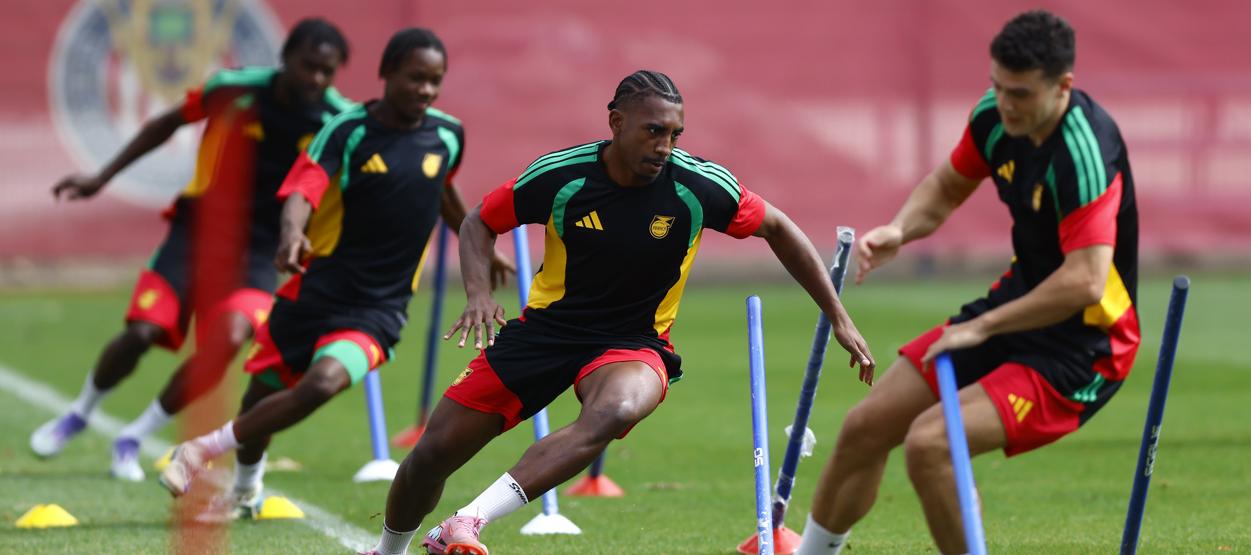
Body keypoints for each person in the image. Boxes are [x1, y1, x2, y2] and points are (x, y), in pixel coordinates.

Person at [362, 69, 877, 555]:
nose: (665, 146)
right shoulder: (561, 176)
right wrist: (478, 293)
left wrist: (838, 315)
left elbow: (779, 228)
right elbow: (479, 222)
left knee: (616, 411)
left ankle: (469, 520)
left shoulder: (698, 186)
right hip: (547, 331)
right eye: (654, 131)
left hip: (635, 343)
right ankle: (389, 549)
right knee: (434, 452)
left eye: (675, 133)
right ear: (617, 123)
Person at [798, 10, 1140, 555]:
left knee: (930, 445)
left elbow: (1085, 282)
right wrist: (900, 230)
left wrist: (981, 327)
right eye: (997, 87)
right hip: (1018, 306)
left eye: (1021, 94)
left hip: (1086, 345)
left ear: (1063, 87)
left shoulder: (1083, 151)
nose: (1005, 104)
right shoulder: (995, 117)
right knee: (866, 427)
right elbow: (947, 185)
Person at [156, 27, 512, 518]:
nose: (426, 91)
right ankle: (244, 489)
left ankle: (198, 450)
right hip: (315, 292)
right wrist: (291, 234)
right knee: (261, 397)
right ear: (386, 73)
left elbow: (442, 192)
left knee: (322, 384)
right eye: (415, 78)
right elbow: (304, 189)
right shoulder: (347, 130)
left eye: (435, 81)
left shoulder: (447, 134)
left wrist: (475, 241)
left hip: (379, 309)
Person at [31, 18, 353, 482]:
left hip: (261, 252)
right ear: (286, 58)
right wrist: (101, 177)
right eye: (309, 67)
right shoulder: (232, 89)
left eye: (327, 72)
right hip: (196, 233)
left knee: (230, 337)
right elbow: (165, 124)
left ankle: (135, 435)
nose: (317, 80)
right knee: (142, 333)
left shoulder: (335, 122)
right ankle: (80, 411)